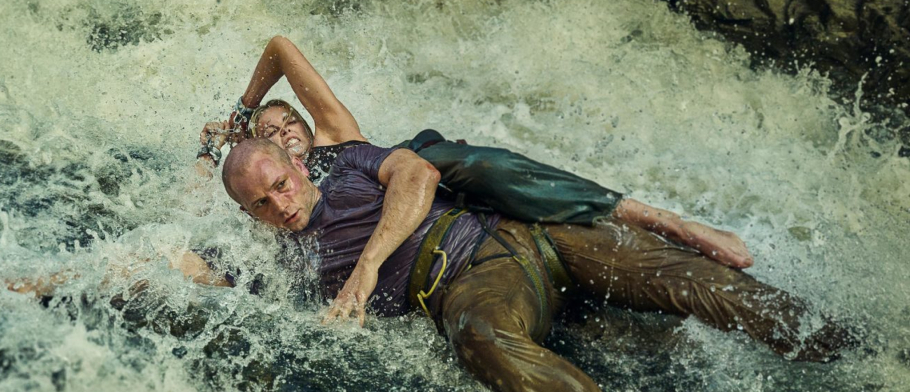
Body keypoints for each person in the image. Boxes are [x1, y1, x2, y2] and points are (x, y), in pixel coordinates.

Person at [220, 137, 854, 392]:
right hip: (470, 287)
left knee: (698, 281)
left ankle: (858, 355)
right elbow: (208, 280)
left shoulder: (348, 162)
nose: (281, 204)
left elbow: (418, 172)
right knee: (480, 337)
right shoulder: (284, 266)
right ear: (249, 215)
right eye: (261, 204)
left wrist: (366, 267)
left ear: (295, 164)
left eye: (280, 184)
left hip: (525, 230)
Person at [199, 35, 754, 271]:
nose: (280, 133)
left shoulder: (334, 135)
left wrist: (243, 108)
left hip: (424, 175)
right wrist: (208, 153)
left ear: (303, 124)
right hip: (418, 245)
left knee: (470, 162)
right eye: (265, 132)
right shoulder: (272, 206)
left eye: (286, 122)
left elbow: (279, 46)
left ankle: (662, 220)